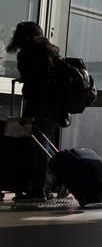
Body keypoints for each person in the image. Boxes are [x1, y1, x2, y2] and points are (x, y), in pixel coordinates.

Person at [5, 22, 69, 203]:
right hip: (56, 106)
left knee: (39, 147)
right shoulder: (50, 51)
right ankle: (58, 180)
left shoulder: (28, 53)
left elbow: (35, 87)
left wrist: (29, 112)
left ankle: (40, 188)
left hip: (42, 106)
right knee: (45, 145)